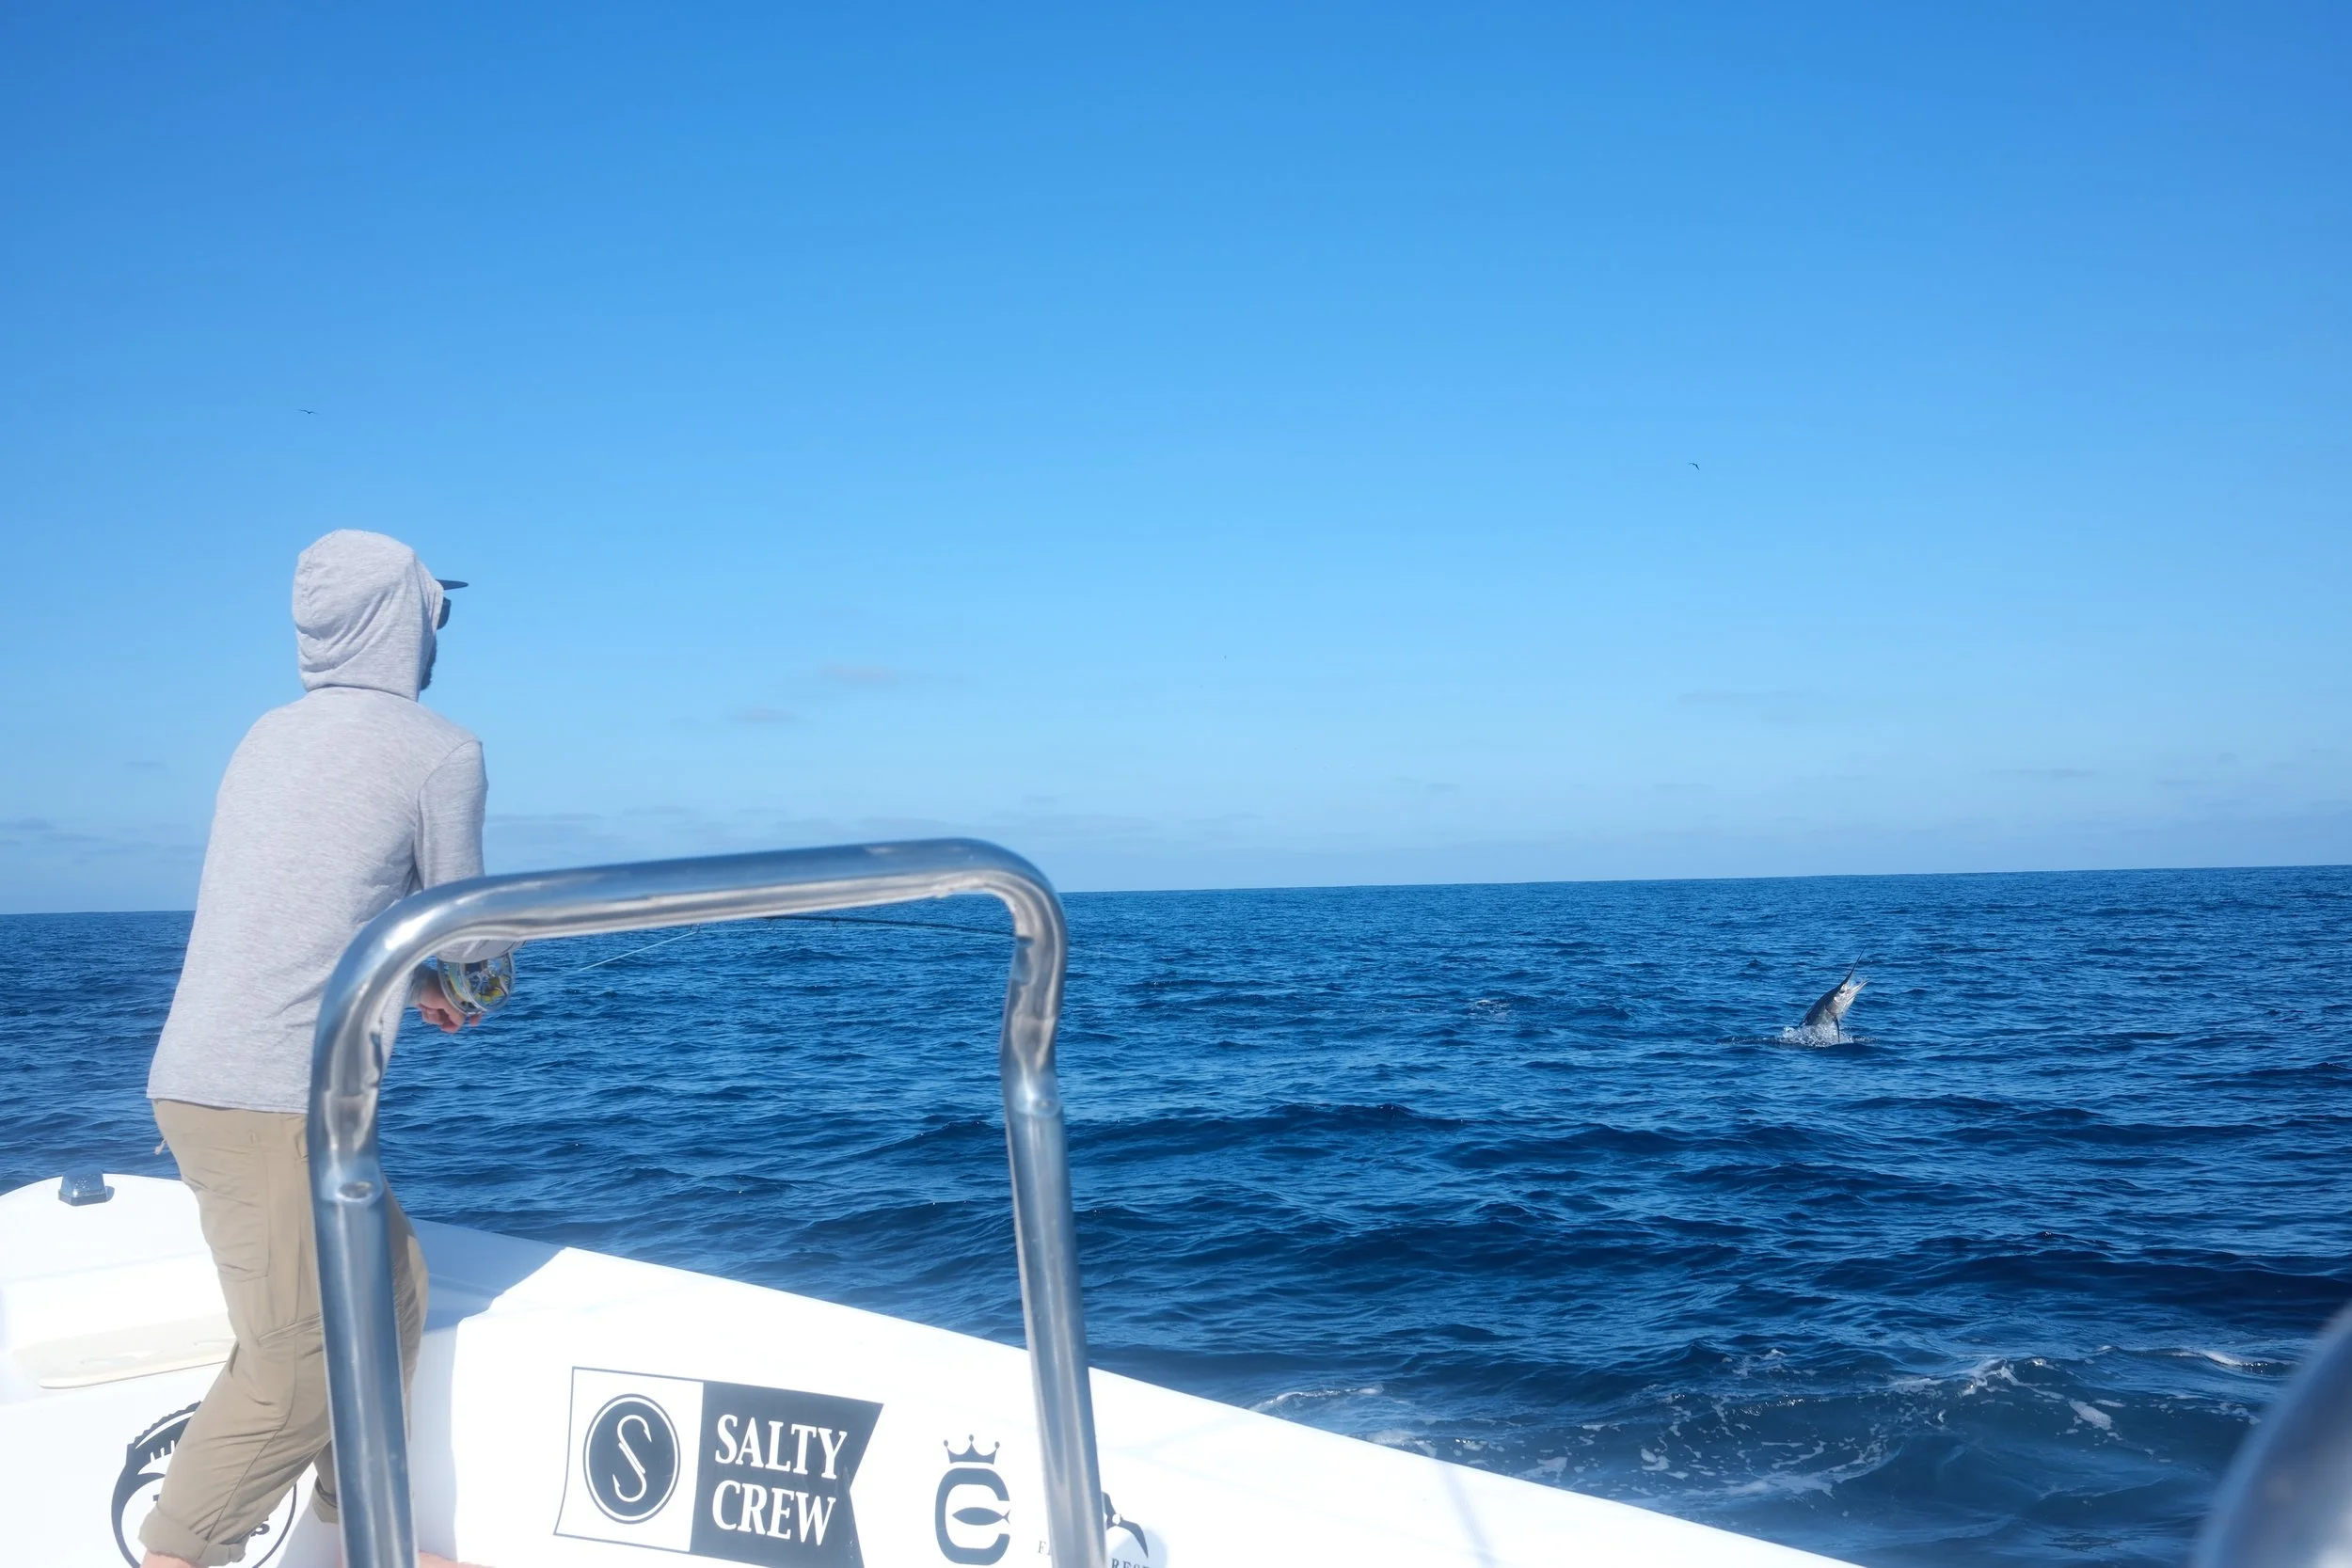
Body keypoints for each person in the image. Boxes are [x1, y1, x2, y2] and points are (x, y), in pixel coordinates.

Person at [141, 530, 503, 1568]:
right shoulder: (442, 749)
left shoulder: (265, 734)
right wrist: (471, 977)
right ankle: (176, 1552)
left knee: (393, 1302)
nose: (438, 632)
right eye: (435, 610)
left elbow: (309, 910)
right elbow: (469, 935)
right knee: (296, 1372)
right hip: (270, 1099)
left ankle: (358, 1541)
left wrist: (411, 979)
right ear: (399, 621)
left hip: (212, 1082)